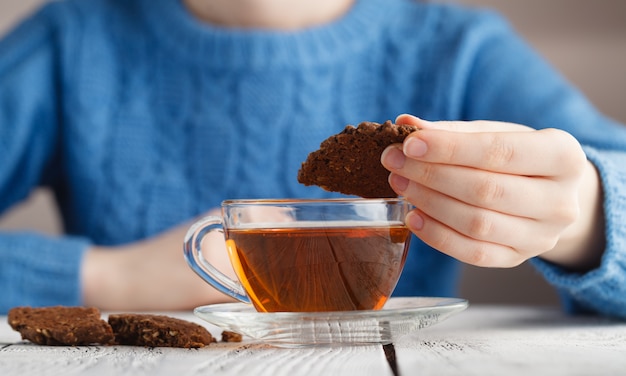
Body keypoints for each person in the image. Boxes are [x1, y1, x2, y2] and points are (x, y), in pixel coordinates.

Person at [1, 0, 625, 318]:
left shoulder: (458, 52)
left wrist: (588, 217)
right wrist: (111, 279)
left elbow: (603, 185)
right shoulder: (66, 47)